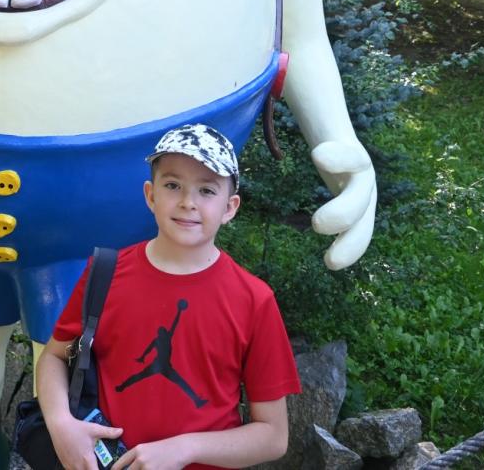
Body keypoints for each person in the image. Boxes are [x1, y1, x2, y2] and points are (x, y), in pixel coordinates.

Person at [36, 124, 300, 470]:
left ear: (230, 207)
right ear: (151, 195)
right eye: (173, 185)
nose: (188, 202)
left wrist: (185, 448)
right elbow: (54, 357)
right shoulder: (105, 273)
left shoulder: (254, 300)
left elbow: (273, 436)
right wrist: (61, 424)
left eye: (207, 190)